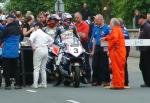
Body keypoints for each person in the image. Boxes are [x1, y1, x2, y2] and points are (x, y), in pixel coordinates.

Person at [101, 18, 126, 89]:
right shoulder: (117, 29)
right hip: (119, 52)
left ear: (113, 24)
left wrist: (109, 48)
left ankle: (118, 84)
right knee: (118, 69)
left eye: (110, 23)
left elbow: (114, 39)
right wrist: (106, 38)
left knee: (117, 69)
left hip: (117, 52)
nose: (109, 25)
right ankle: (117, 83)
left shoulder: (116, 30)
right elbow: (111, 37)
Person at [29, 23, 54, 88]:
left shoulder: (35, 32)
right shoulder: (44, 34)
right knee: (43, 68)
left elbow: (30, 39)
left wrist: (33, 46)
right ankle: (44, 84)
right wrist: (47, 46)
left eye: (34, 26)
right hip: (45, 49)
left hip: (38, 49)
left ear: (37, 26)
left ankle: (35, 84)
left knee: (36, 68)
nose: (34, 28)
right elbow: (52, 40)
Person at [2, 14, 22, 90]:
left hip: (6, 52)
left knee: (6, 69)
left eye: (7, 19)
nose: (6, 21)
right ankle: (17, 84)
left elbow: (1, 37)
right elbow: (21, 38)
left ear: (10, 20)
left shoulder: (6, 29)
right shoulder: (18, 29)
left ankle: (8, 85)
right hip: (15, 52)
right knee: (16, 69)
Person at [90, 14, 110, 86]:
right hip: (97, 47)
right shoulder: (95, 27)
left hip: (104, 47)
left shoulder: (107, 28)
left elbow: (110, 39)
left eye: (96, 20)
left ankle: (106, 80)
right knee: (95, 64)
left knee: (104, 64)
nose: (95, 21)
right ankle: (96, 80)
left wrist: (108, 50)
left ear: (101, 20)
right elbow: (94, 39)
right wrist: (93, 50)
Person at [74, 12, 91, 82]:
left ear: (81, 17)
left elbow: (84, 36)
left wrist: (77, 33)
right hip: (75, 44)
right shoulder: (74, 25)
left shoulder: (85, 24)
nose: (76, 19)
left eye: (77, 17)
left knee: (85, 61)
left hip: (84, 43)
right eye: (75, 17)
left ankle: (88, 77)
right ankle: (78, 76)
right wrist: (79, 33)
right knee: (76, 59)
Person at [138, 14, 150, 87]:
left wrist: (147, 49)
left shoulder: (147, 27)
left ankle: (148, 82)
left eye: (139, 19)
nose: (137, 20)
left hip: (147, 51)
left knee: (146, 66)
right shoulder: (142, 27)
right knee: (142, 66)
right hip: (143, 50)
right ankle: (147, 81)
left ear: (142, 19)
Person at [118, 18, 130, 88]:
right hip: (124, 50)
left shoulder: (123, 30)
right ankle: (124, 81)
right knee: (123, 66)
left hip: (123, 51)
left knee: (123, 66)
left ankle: (125, 81)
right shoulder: (123, 29)